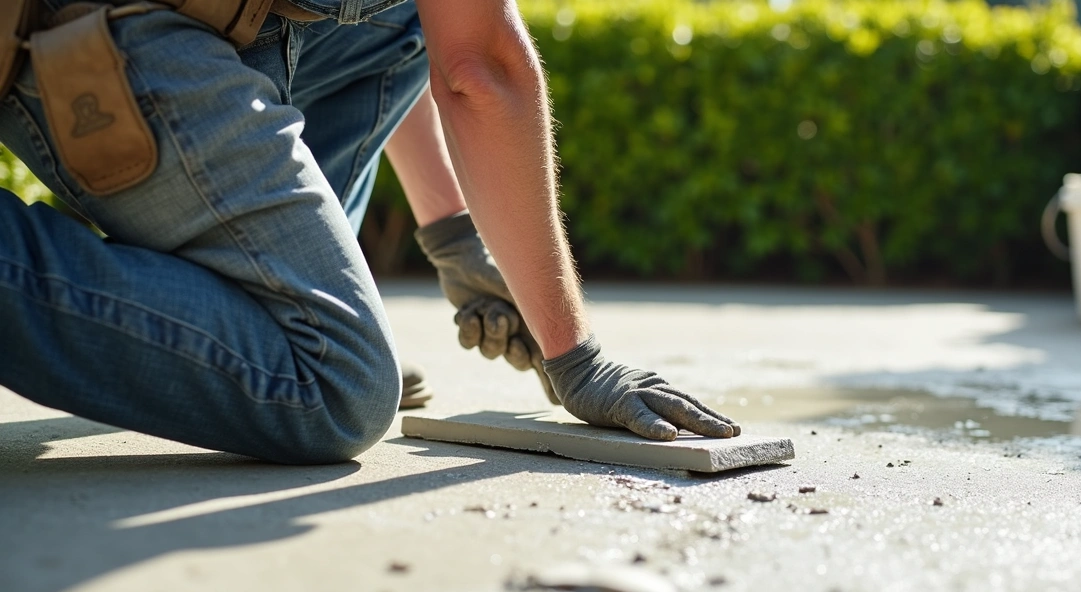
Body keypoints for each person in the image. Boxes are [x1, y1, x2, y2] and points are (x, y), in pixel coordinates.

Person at [0, 0, 739, 466]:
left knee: (397, 16)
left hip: (217, 25)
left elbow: (430, 32)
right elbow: (479, 66)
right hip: (90, 34)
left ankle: (281, 306)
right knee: (337, 383)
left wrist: (457, 241)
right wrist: (576, 358)